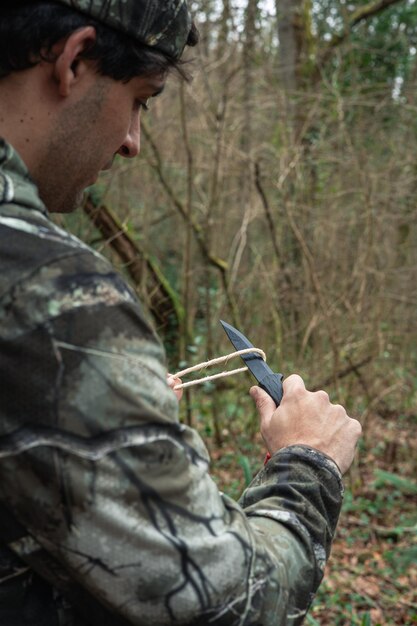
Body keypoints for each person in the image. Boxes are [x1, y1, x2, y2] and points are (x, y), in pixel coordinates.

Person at [0, 1, 362, 625]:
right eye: (141, 99)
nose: (133, 142)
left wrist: (108, 422)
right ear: (74, 59)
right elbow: (221, 602)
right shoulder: (49, 292)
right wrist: (308, 464)